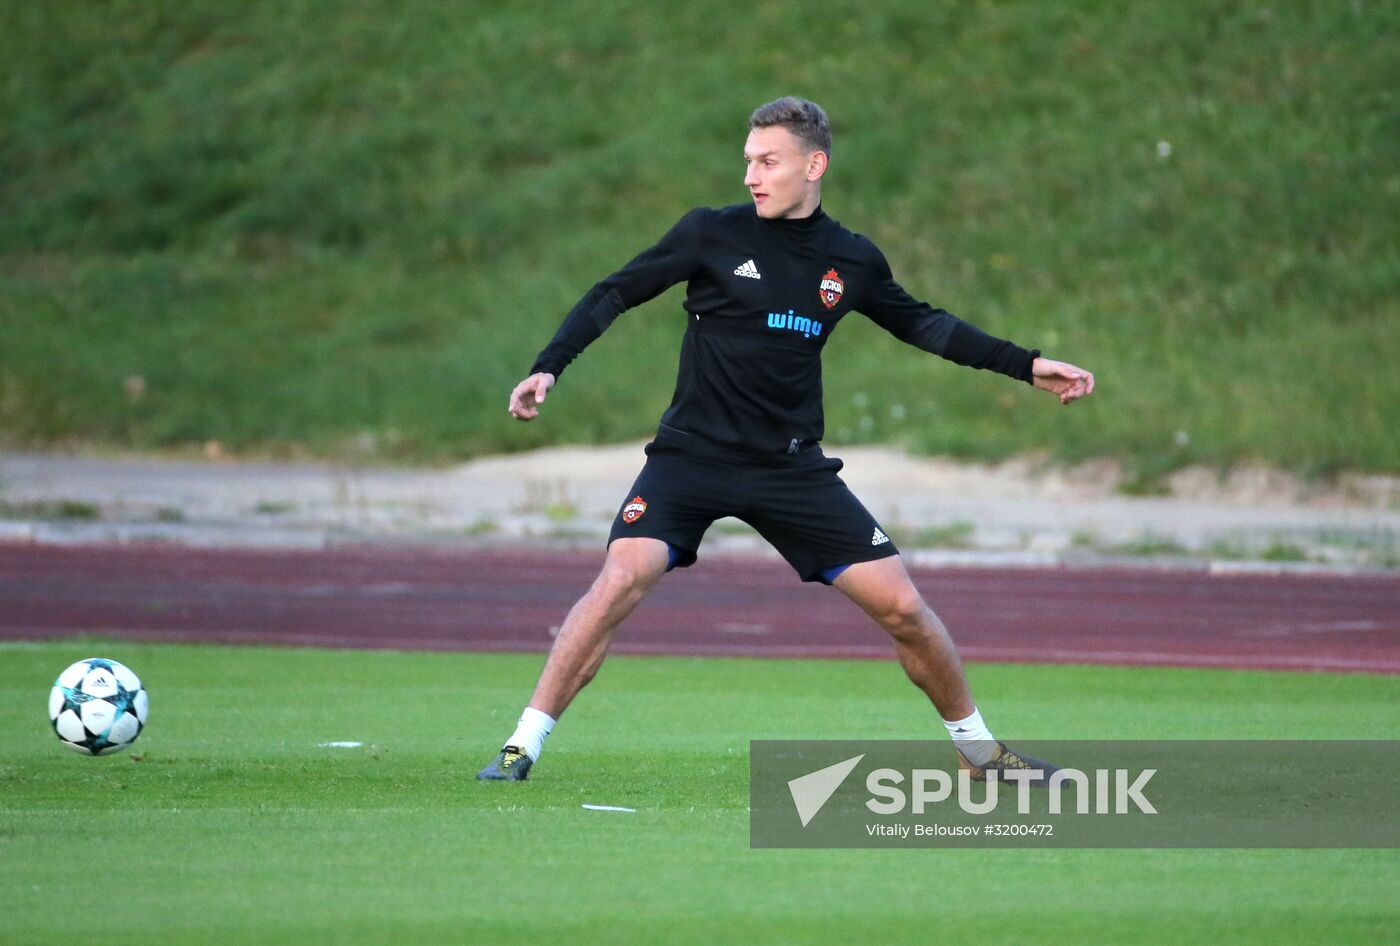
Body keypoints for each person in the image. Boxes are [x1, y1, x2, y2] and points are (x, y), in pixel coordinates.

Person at [478, 96, 1095, 783]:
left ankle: (981, 755)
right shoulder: (710, 233)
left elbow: (928, 325)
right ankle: (520, 745)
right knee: (620, 578)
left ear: (814, 164)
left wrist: (1025, 364)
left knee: (905, 609)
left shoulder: (852, 260)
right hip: (690, 460)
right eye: (747, 161)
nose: (751, 175)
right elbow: (614, 292)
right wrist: (547, 365)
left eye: (768, 161)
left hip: (790, 470)